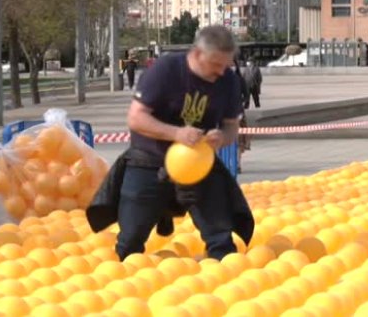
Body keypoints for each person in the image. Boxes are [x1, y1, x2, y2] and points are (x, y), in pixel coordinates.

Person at [86, 25, 254, 261]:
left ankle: (224, 270)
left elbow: (231, 126)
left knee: (220, 236)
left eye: (225, 65)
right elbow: (136, 118)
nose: (220, 72)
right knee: (131, 237)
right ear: (197, 54)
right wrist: (176, 133)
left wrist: (222, 137)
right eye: (215, 64)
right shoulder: (166, 70)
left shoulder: (227, 81)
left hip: (198, 165)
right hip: (149, 160)